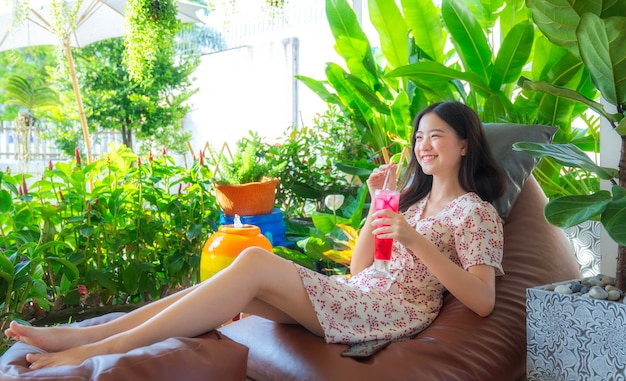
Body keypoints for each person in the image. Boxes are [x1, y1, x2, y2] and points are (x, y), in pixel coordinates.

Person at [5, 101, 507, 369]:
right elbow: (362, 268)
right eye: (418, 135)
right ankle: (88, 334)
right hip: (359, 295)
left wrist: (414, 240)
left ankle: (91, 348)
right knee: (222, 286)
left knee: (251, 263)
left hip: (390, 313)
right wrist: (380, 205)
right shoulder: (411, 203)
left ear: (464, 145)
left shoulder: (475, 213)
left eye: (436, 135)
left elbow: (482, 299)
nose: (423, 145)